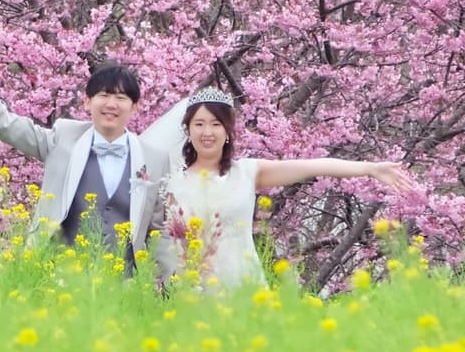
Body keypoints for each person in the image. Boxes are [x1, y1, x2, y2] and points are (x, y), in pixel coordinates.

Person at [0, 18, 174, 266]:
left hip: (125, 288)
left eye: (121, 98)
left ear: (135, 106)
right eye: (104, 96)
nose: (111, 104)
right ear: (87, 102)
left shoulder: (155, 158)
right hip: (57, 277)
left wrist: (164, 286)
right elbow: (4, 124)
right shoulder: (62, 138)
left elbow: (159, 231)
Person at [155, 87, 417, 290]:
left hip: (243, 286)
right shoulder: (171, 182)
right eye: (199, 124)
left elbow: (314, 166)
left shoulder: (247, 172)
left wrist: (370, 169)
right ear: (188, 129)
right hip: (192, 292)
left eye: (215, 124)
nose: (207, 132)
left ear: (228, 131)